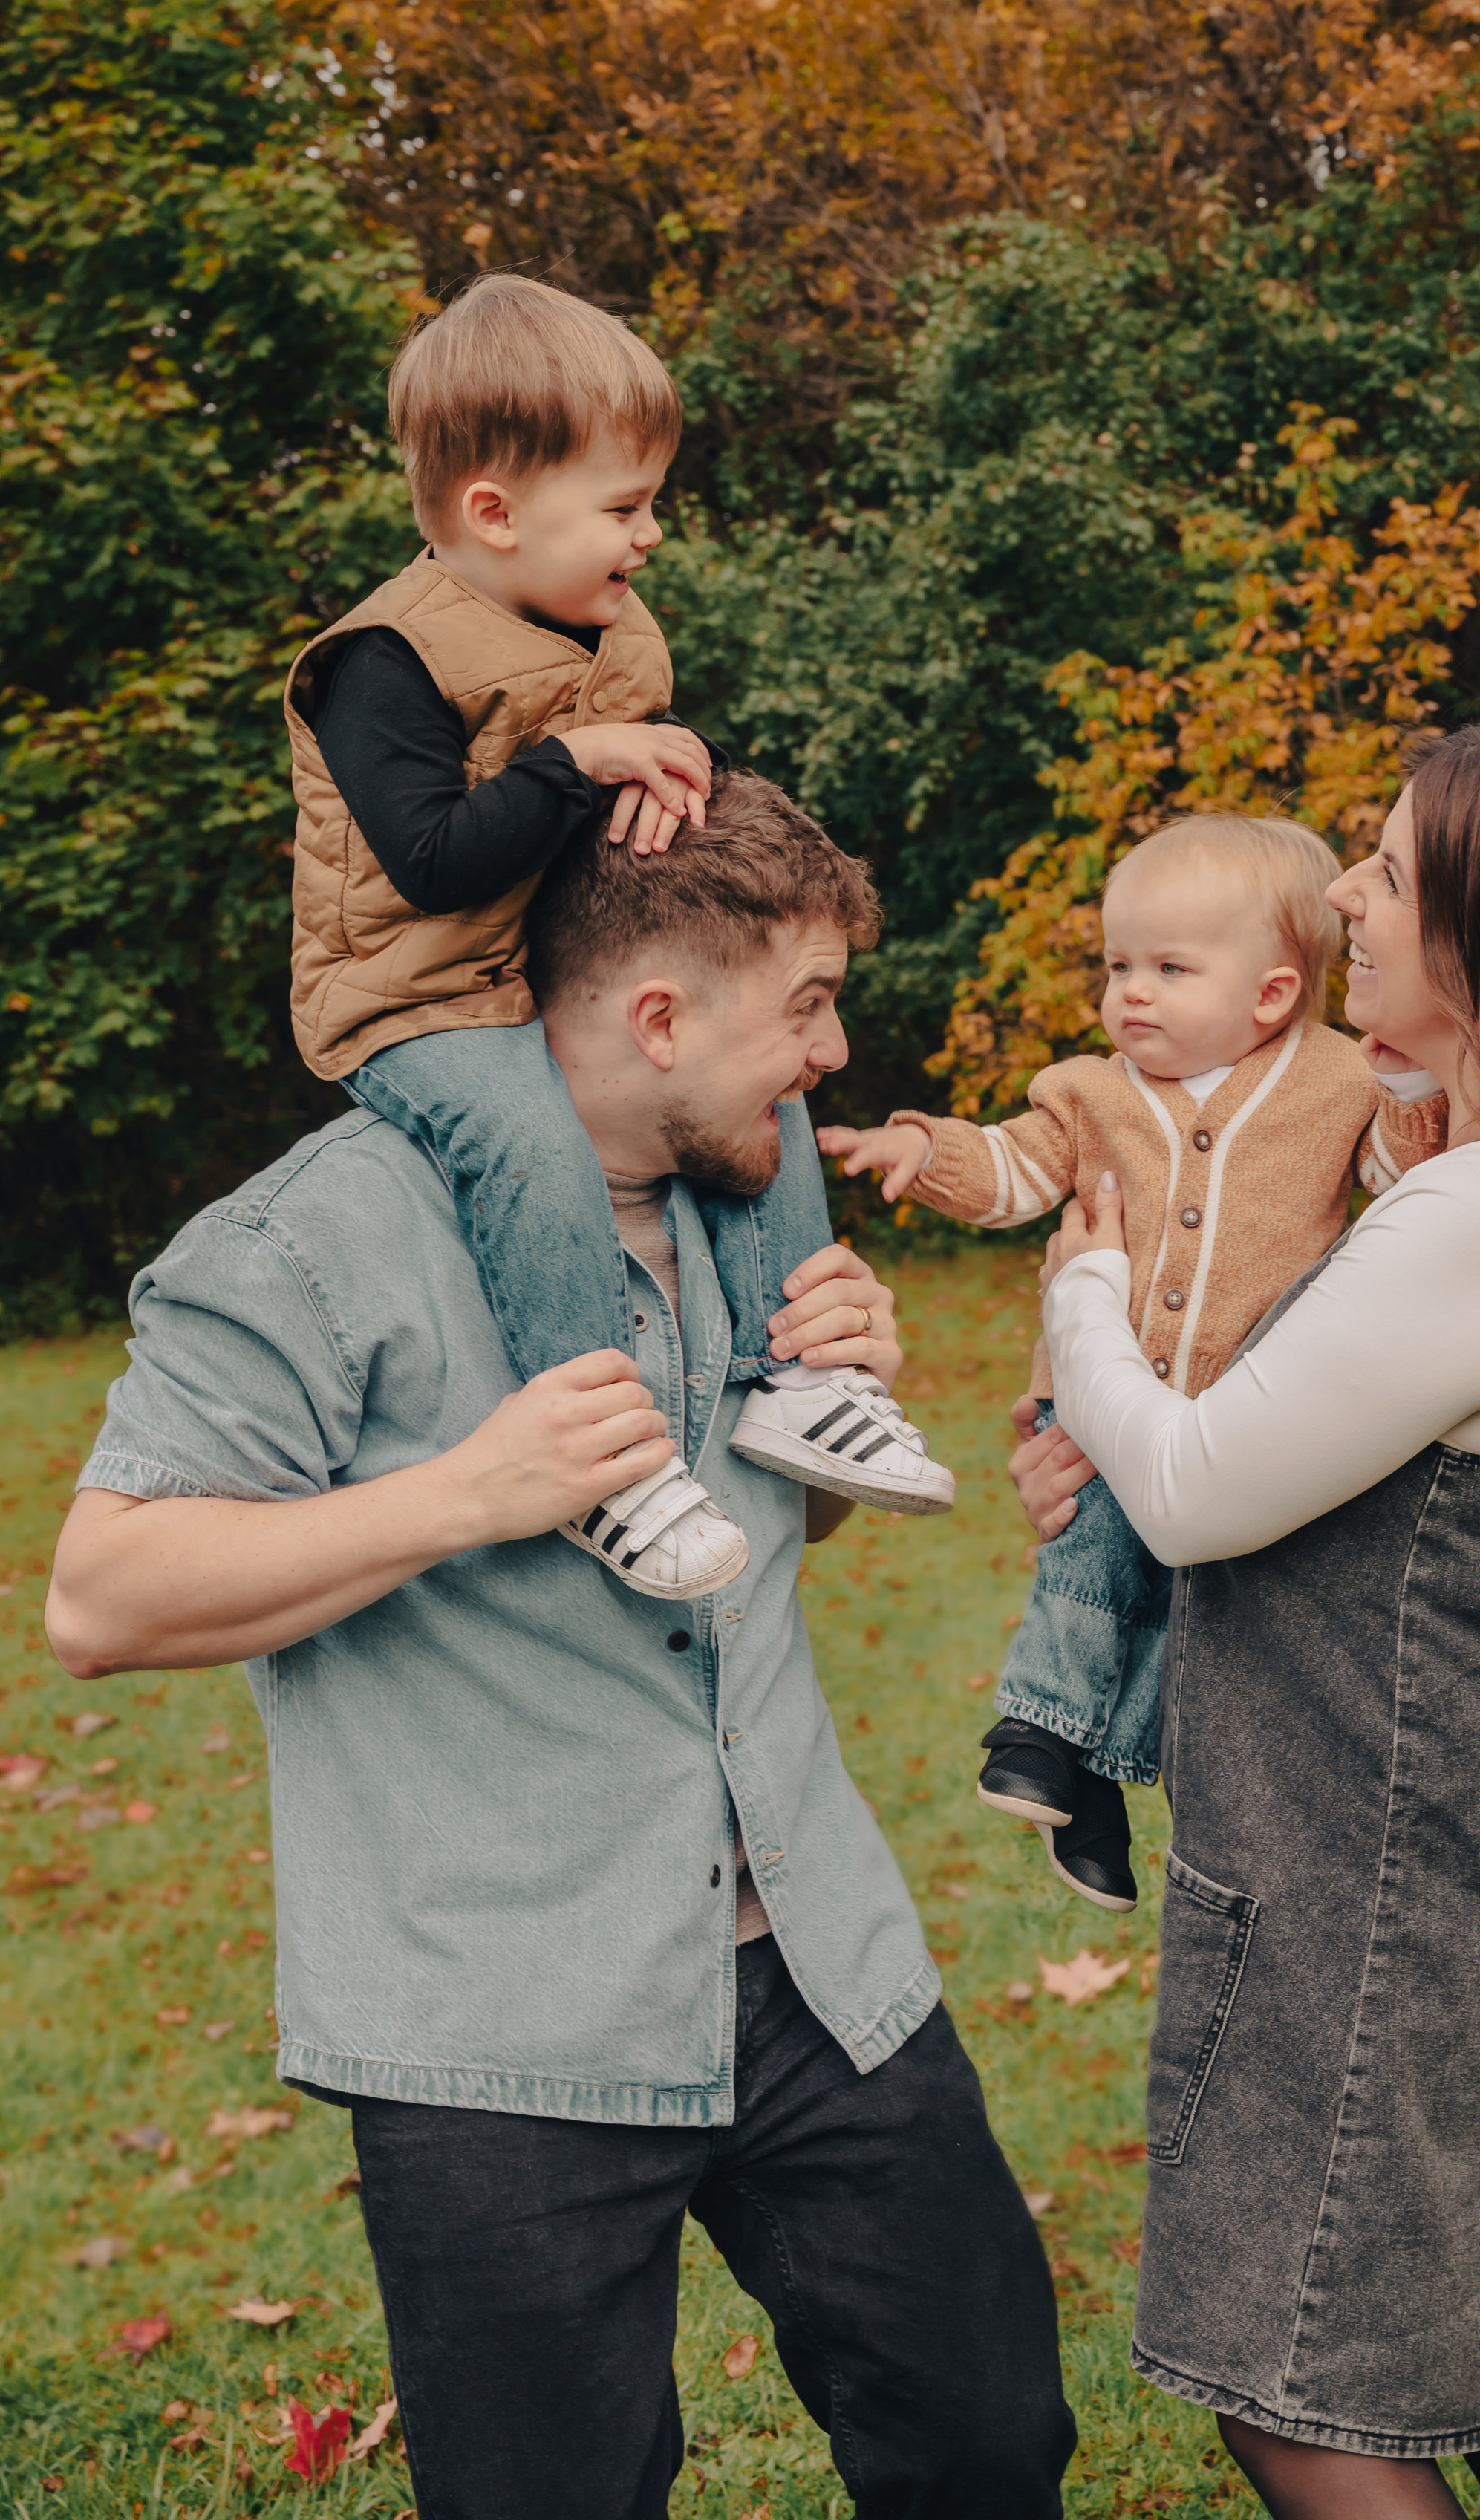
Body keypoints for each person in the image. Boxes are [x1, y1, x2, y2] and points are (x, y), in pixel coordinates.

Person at [48, 773, 1075, 2520]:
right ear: (656, 1014)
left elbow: (772, 1545)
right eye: (806, 1007)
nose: (833, 1052)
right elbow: (101, 1595)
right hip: (499, 2027)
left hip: (815, 1963)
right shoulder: (321, 1236)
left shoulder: (743, 1199)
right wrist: (466, 1492)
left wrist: (833, 1409)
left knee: (986, 2441)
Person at [1010, 726, 1480, 2519]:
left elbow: (1202, 1484)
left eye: (1384, 871)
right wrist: (1128, 1438)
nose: (1346, 896)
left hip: (1369, 1881)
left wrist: (1086, 1312)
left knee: (1290, 2386)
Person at [286, 271, 951, 1601]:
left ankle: (800, 1381)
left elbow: (621, 831)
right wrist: (583, 759)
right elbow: (429, 861)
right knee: (531, 1134)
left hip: (546, 981)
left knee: (759, 1086)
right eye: (626, 507)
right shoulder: (381, 661)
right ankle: (608, 1454)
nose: (650, 537)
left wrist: (665, 777)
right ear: (495, 510)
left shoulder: (605, 628)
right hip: (409, 1006)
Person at [822, 815, 1444, 1911]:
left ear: (1269, 995)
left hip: (1245, 1407)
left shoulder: (1341, 1082)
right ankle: (1035, 1726)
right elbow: (1015, 1167)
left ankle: (1098, 1784)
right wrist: (928, 1153)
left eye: (1167, 969)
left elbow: (1405, 1165)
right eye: (1117, 968)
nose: (1131, 995)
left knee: (1190, 1599)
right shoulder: (1090, 1095)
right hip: (1104, 1405)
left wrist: (1428, 1092)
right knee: (1097, 1559)